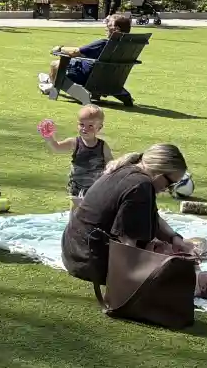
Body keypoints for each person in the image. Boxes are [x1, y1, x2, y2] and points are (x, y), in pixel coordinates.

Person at [61, 144, 193, 285]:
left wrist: (174, 238)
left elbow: (152, 216)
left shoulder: (126, 170)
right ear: (160, 172)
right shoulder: (141, 186)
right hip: (90, 262)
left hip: (73, 252)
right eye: (170, 183)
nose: (168, 189)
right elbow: (127, 245)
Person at [39, 12, 133, 105]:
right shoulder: (128, 47)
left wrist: (60, 48)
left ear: (116, 29)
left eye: (109, 24)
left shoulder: (103, 43)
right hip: (110, 81)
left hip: (86, 77)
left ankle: (51, 84)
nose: (106, 27)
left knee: (55, 64)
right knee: (76, 60)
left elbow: (75, 52)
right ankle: (49, 80)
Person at [40, 104, 114, 205]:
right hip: (76, 185)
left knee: (92, 210)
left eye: (90, 126)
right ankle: (73, 220)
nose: (85, 128)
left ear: (99, 128)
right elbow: (57, 147)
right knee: (75, 210)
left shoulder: (103, 146)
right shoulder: (74, 142)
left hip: (95, 187)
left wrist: (108, 174)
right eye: (82, 124)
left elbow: (111, 163)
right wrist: (49, 137)